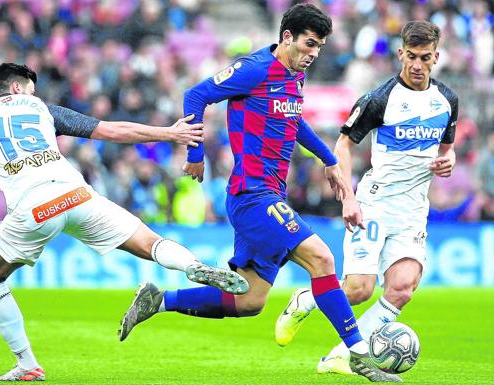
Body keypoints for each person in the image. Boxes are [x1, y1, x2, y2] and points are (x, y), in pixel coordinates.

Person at [0, 46, 250, 382]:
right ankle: (192, 265)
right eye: (29, 88)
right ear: (14, 88)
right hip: (76, 194)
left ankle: (27, 365)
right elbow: (111, 130)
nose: (34, 95)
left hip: (33, 206)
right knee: (149, 242)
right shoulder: (42, 110)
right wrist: (168, 134)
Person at [117, 4, 400, 383]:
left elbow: (294, 122)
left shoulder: (294, 77)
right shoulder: (254, 69)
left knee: (249, 301)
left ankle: (160, 300)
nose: (314, 54)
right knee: (321, 259)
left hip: (270, 196)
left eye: (319, 47)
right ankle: (358, 353)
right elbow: (196, 95)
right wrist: (196, 153)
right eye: (309, 44)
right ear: (287, 37)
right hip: (253, 195)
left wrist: (330, 160)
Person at [274, 20, 457, 377]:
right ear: (401, 54)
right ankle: (305, 300)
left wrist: (446, 161)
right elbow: (343, 143)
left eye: (425, 58)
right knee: (358, 290)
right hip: (374, 203)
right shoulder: (380, 99)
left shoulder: (447, 100)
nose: (417, 65)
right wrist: (348, 199)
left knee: (402, 289)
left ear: (436, 57)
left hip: (413, 211)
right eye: (412, 57)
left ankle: (340, 356)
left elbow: (447, 149)